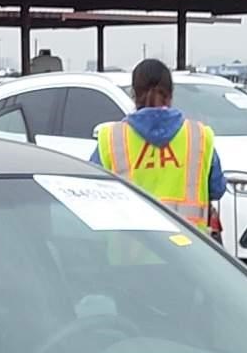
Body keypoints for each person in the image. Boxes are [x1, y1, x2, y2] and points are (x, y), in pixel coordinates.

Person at [95, 59, 226, 234]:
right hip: (190, 249)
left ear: (133, 93)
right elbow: (216, 189)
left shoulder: (111, 138)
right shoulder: (199, 136)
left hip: (127, 250)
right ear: (171, 93)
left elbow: (93, 193)